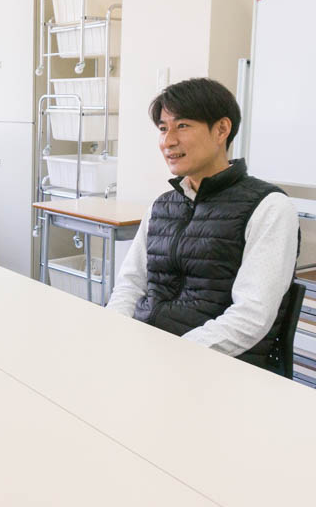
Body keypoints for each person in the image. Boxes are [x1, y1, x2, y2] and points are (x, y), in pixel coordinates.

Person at [106, 77, 299, 374]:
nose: (168, 141)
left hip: (214, 370)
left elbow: (251, 316)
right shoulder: (161, 206)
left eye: (182, 126)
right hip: (147, 356)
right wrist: (113, 334)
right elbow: (129, 285)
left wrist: (171, 357)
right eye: (163, 128)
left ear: (221, 129)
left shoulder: (269, 207)